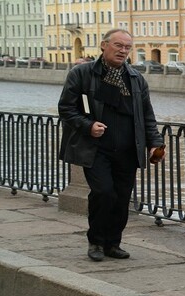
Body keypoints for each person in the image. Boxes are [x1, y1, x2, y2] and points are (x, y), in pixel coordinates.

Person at [58, 28, 165, 262]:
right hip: (96, 149)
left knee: (121, 197)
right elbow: (66, 108)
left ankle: (113, 243)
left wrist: (155, 142)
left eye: (127, 47)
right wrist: (88, 126)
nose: (123, 51)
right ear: (104, 45)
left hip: (127, 150)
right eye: (118, 45)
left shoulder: (136, 79)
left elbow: (147, 114)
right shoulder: (82, 74)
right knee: (103, 192)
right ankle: (96, 241)